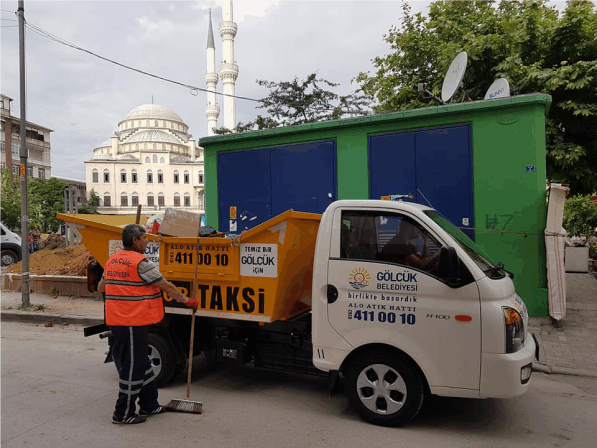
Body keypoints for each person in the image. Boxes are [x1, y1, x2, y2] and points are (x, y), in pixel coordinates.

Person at [97, 224, 199, 424]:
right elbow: (166, 285)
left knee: (142, 363)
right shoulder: (141, 263)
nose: (146, 242)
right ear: (135, 240)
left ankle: (149, 405)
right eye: (144, 238)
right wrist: (187, 301)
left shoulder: (112, 260)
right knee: (133, 368)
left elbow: (101, 286)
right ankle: (123, 414)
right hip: (131, 322)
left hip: (119, 321)